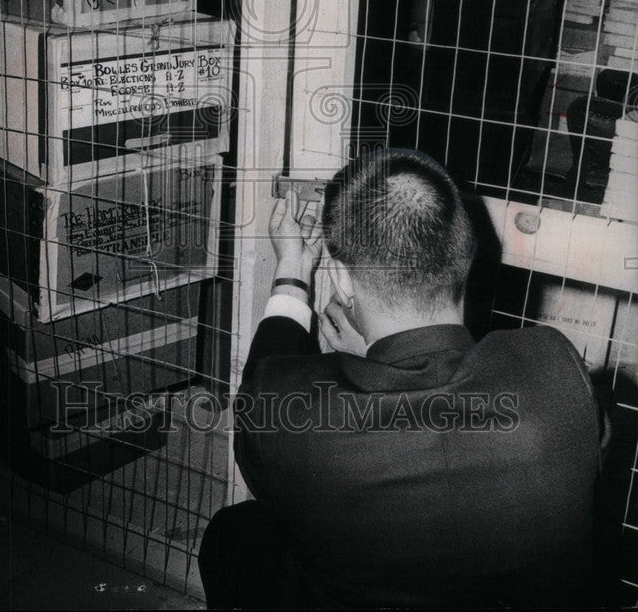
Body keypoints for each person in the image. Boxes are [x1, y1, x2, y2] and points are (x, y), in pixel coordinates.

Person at [199, 148, 608, 609]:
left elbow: (261, 396)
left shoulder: (293, 416)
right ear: (467, 261)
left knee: (233, 534)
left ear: (342, 278)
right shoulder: (556, 364)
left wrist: (292, 274)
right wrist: (383, 360)